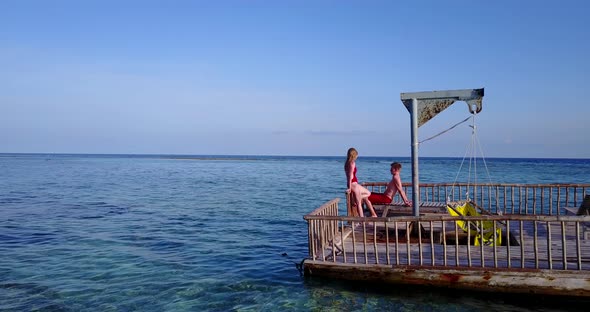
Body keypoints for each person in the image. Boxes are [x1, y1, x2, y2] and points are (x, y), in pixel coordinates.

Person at [345, 147, 377, 217]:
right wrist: (350, 188)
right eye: (356, 155)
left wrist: (349, 186)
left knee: (361, 200)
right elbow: (350, 176)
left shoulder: (347, 163)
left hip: (352, 184)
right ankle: (362, 220)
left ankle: (370, 215)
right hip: (353, 184)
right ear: (354, 155)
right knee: (366, 196)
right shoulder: (352, 163)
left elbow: (348, 176)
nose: (357, 156)